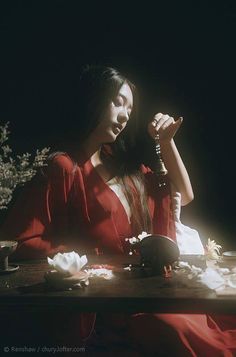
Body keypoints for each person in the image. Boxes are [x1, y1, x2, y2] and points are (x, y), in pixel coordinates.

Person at [2, 65, 236, 356]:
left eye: (130, 108)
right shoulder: (63, 167)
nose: (125, 116)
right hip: (103, 302)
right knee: (172, 328)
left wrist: (166, 142)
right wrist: (82, 256)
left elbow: (184, 194)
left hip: (141, 291)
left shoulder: (123, 167)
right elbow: (18, 242)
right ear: (94, 99)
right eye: (118, 102)